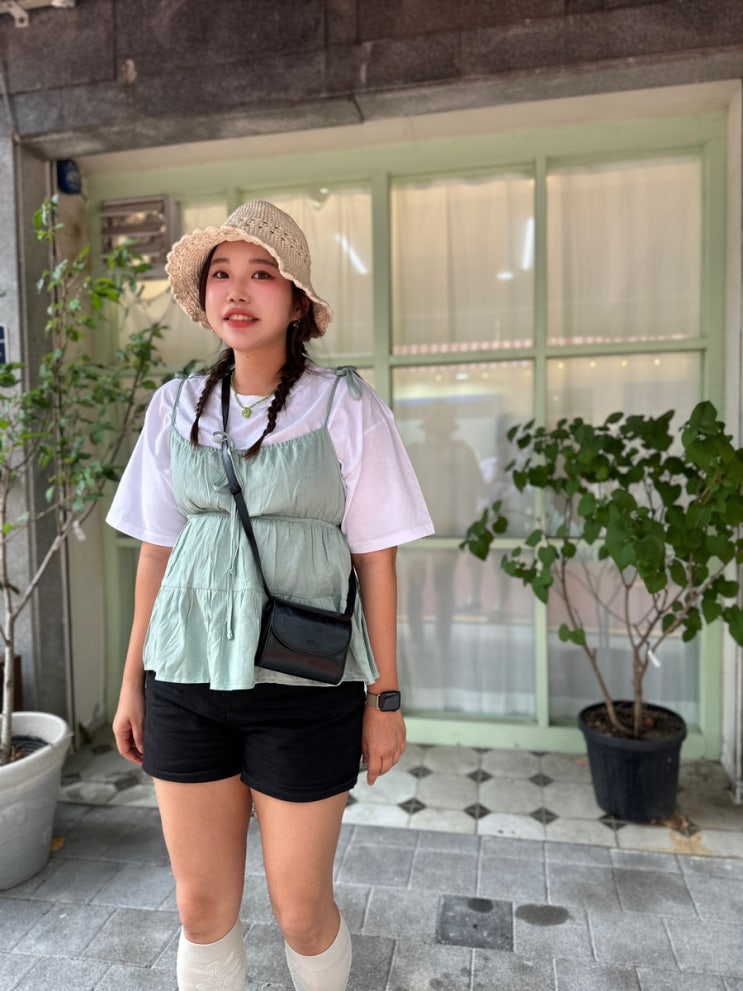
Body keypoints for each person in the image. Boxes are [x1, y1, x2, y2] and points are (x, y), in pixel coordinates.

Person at [107, 200, 434, 991]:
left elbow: (376, 561)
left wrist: (384, 696)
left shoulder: (344, 404)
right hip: (184, 678)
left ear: (296, 301)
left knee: (300, 909)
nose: (237, 289)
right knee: (199, 907)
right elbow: (155, 551)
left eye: (261, 273)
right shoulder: (175, 404)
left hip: (304, 685)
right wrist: (130, 682)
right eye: (221, 273)